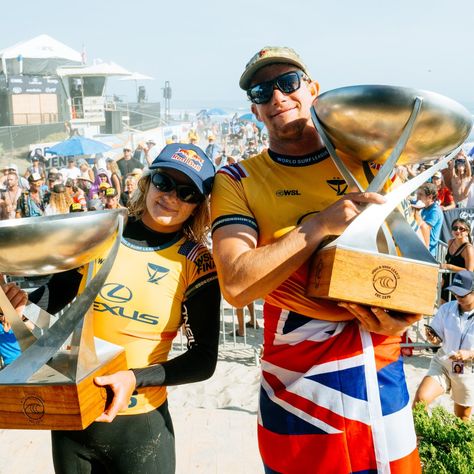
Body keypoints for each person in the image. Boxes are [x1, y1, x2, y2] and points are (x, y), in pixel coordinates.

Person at [211, 46, 422, 473]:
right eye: (261, 90)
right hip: (298, 383)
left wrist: (406, 315)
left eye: (288, 83)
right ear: (254, 109)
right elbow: (235, 284)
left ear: (313, 89)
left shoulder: (369, 163)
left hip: (377, 364)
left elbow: (405, 261)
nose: (277, 98)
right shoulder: (237, 179)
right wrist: (319, 225)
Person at [5, 143, 220, 473]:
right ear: (148, 182)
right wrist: (21, 306)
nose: (172, 197)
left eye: (187, 192)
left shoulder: (197, 262)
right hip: (74, 418)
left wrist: (134, 378)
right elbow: (54, 298)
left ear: (198, 205)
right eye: (164, 182)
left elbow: (203, 360)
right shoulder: (101, 234)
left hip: (142, 428)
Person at [413, 270, 474, 421]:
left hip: (468, 369)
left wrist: (469, 354)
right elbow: (438, 338)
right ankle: (422, 439)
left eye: (461, 293)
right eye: (454, 292)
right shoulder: (446, 308)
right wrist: (433, 339)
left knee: (462, 417)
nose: (456, 296)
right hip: (444, 362)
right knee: (420, 400)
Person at [440, 218, 474, 302]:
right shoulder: (450, 242)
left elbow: (469, 271)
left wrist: (449, 267)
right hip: (448, 281)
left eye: (461, 229)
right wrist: (444, 278)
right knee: (443, 307)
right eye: (455, 228)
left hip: (460, 284)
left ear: (467, 231)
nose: (458, 231)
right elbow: (449, 260)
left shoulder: (468, 248)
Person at [413, 182, 444, 257]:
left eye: (421, 194)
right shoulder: (425, 207)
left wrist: (416, 211)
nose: (418, 196)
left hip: (428, 252)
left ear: (430, 197)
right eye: (418, 194)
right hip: (420, 247)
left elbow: (425, 229)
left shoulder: (435, 211)